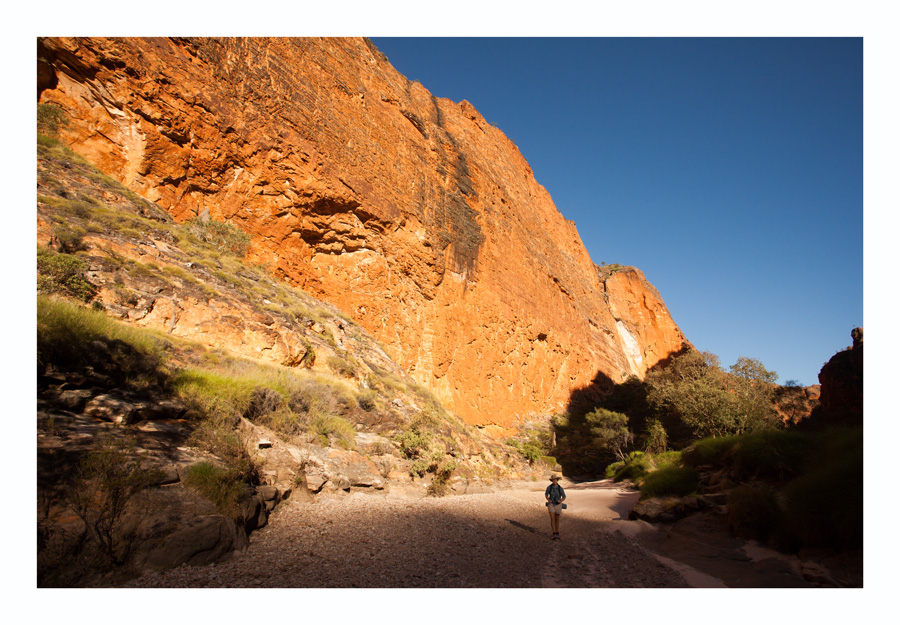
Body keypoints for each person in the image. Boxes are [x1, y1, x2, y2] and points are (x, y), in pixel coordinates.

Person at [545, 474, 566, 540]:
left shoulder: (560, 488)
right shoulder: (549, 487)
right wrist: (548, 500)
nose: (555, 481)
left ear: (557, 480)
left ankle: (557, 532)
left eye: (555, 480)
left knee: (557, 519)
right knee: (552, 518)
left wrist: (561, 500)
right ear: (552, 481)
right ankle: (554, 533)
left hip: (558, 504)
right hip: (551, 504)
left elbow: (564, 496)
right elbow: (546, 495)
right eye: (553, 480)